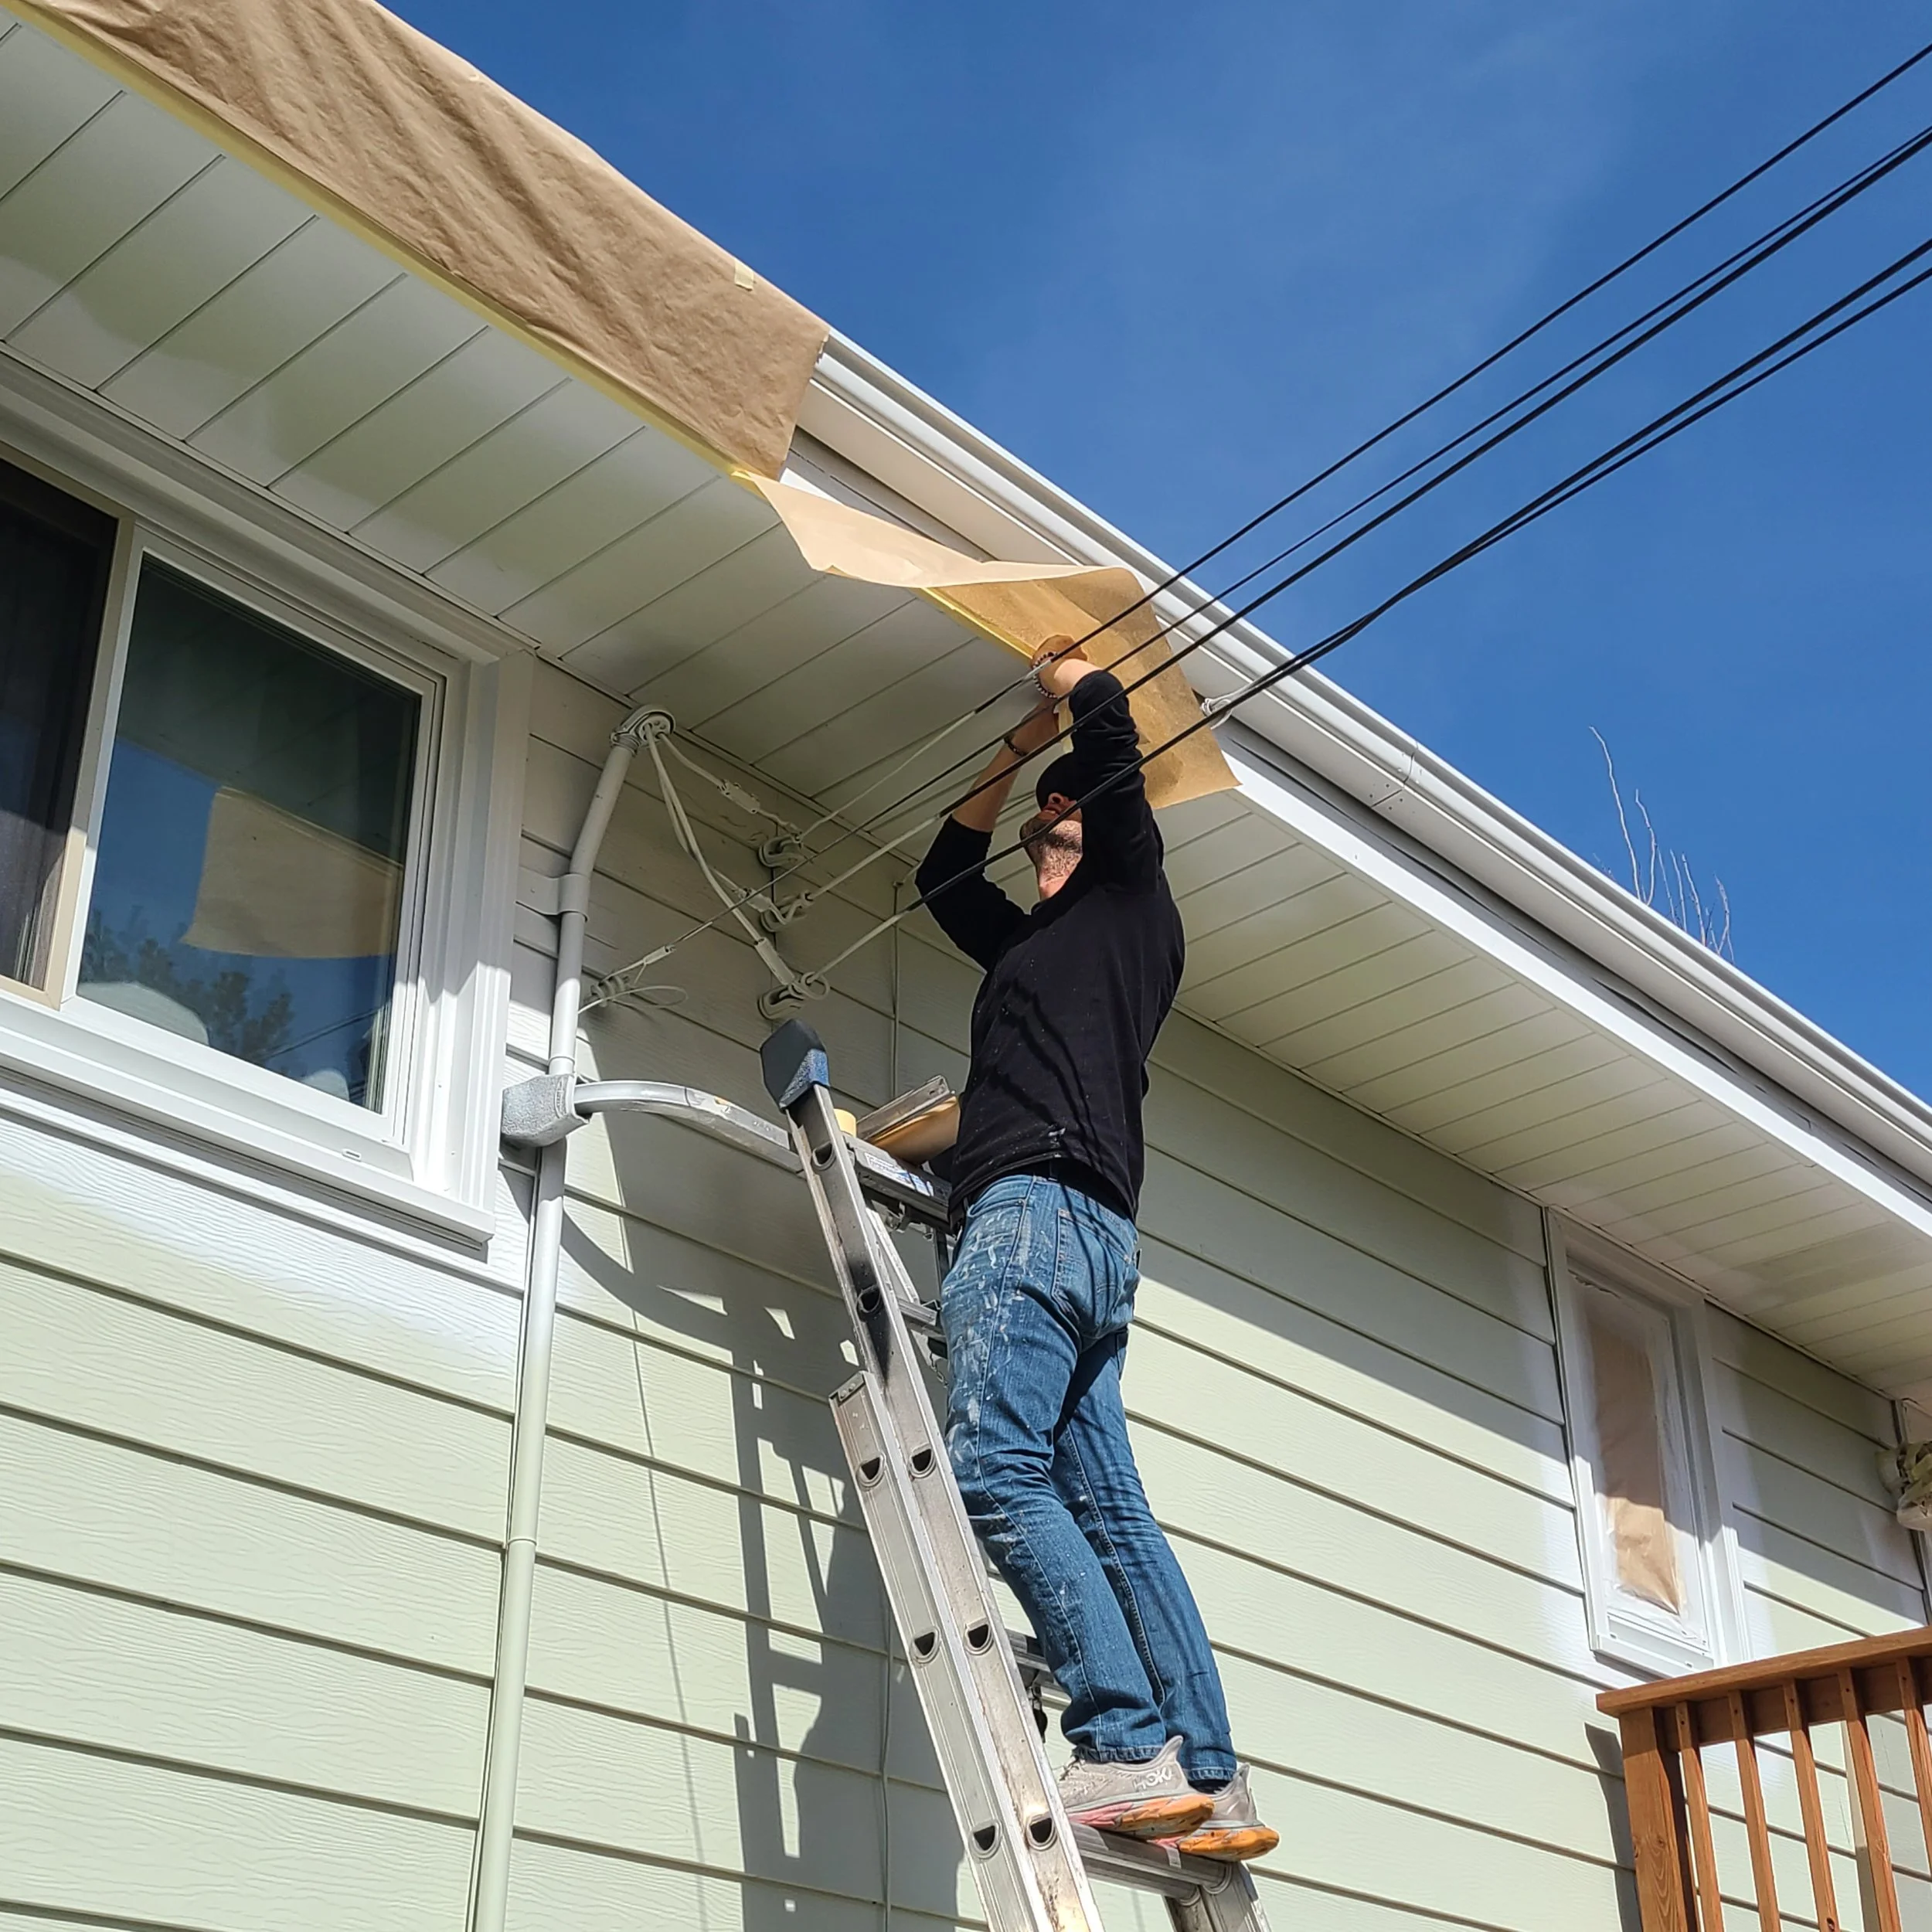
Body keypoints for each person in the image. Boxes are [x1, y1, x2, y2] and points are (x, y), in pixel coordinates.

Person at [914, 635, 1277, 1862]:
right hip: (1093, 1240)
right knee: (1112, 1509)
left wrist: (1074, 684)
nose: (1043, 818)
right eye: (1038, 817)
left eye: (1059, 811)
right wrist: (1015, 751)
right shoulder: (1025, 942)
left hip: (1037, 1214)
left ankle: (1122, 1743)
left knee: (988, 1470)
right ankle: (1212, 1778)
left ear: (1100, 830)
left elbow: (1116, 740)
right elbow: (943, 871)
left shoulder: (1133, 902)